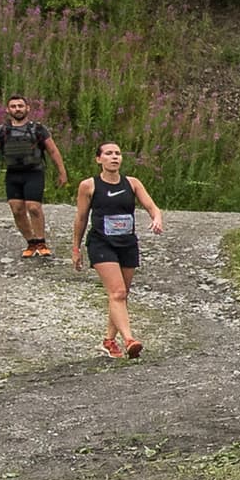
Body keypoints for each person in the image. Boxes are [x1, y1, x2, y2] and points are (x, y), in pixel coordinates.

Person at [71, 140, 165, 362]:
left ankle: (108, 341)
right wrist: (76, 247)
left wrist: (157, 218)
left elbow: (152, 207)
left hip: (127, 243)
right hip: (101, 243)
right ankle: (129, 340)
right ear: (99, 159)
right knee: (117, 293)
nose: (114, 157)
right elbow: (81, 217)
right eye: (109, 154)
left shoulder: (132, 183)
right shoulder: (89, 186)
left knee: (122, 294)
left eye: (118, 154)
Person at [0, 95, 67, 260]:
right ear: (8, 110)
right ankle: (31, 243)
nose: (17, 109)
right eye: (13, 106)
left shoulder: (39, 129)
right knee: (17, 209)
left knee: (33, 207)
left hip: (34, 172)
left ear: (27, 108)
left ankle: (41, 243)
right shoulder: (2, 130)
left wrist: (62, 172)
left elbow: (53, 151)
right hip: (13, 174)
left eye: (20, 106)